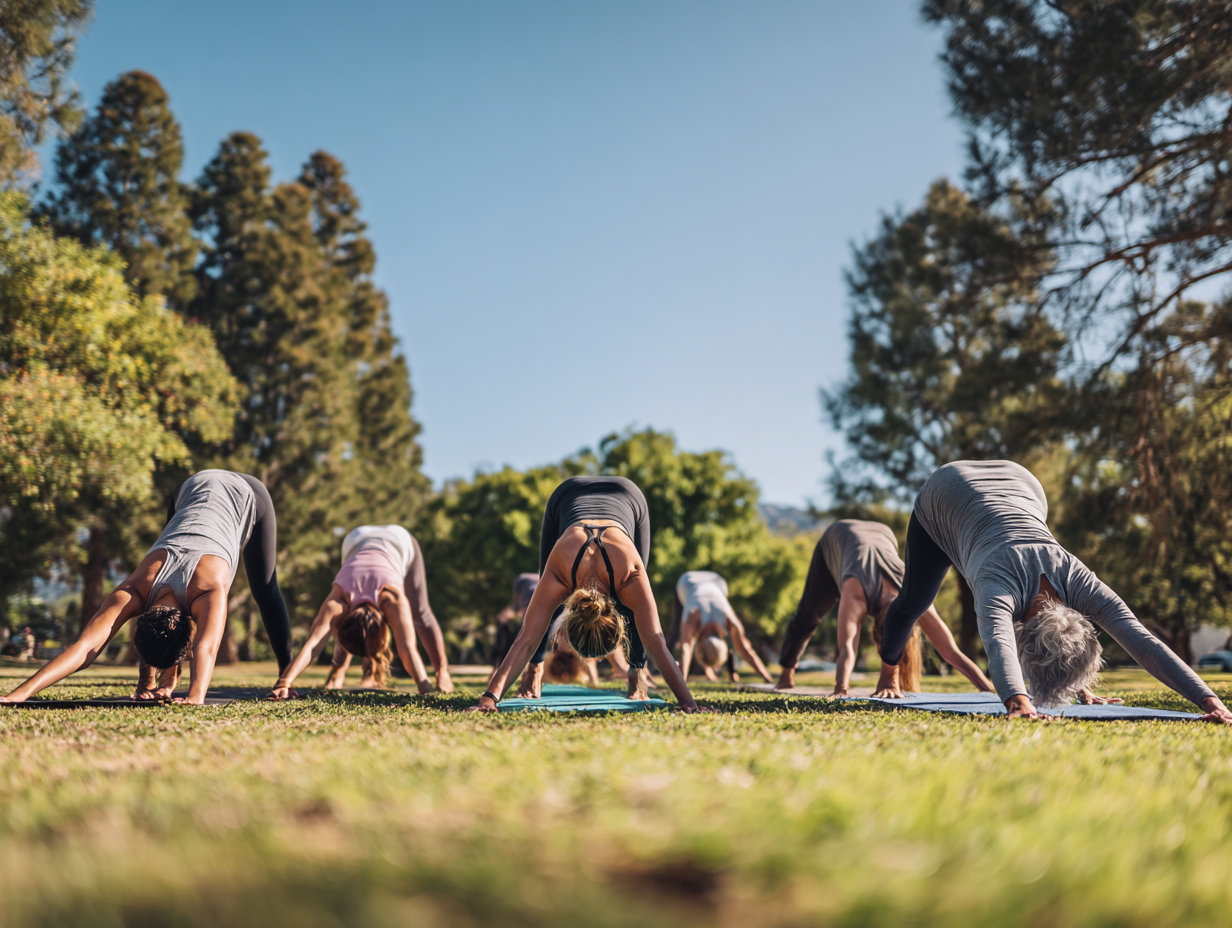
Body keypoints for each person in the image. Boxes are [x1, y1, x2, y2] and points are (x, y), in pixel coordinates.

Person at [876, 460, 1232, 723]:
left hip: (1024, 485)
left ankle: (1080, 685)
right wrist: (1018, 702)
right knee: (914, 603)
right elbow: (999, 645)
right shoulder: (995, 586)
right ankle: (888, 672)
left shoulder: (1077, 578)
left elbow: (1140, 638)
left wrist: (1208, 699)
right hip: (945, 492)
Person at [0, 470, 293, 705]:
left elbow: (207, 646)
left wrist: (196, 696)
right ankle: (151, 681)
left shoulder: (207, 588)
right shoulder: (134, 589)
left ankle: (285, 676)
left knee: (265, 590)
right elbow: (86, 647)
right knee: (167, 639)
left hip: (248, 492)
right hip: (189, 489)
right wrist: (19, 694)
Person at [470, 475, 705, 711]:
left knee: (632, 606)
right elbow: (654, 640)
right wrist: (687, 702)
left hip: (605, 494)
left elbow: (526, 639)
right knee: (634, 605)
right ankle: (629, 673)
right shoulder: (620, 573)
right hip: (598, 494)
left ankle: (635, 673)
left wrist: (490, 698)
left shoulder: (563, 574)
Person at [777, 519, 994, 696]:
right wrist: (840, 689)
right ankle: (786, 674)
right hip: (835, 540)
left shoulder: (916, 595)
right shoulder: (855, 593)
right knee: (809, 614)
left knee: (809, 616)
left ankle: (786, 673)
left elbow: (950, 651)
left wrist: (989, 689)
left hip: (883, 534)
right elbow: (847, 649)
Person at [269, 525, 441, 699]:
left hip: (391, 540)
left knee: (421, 614)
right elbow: (407, 648)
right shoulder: (386, 599)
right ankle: (338, 672)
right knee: (416, 618)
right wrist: (284, 682)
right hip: (361, 539)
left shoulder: (380, 598)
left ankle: (443, 673)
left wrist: (425, 688)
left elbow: (314, 642)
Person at [320, 525, 453, 693]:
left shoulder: (391, 598)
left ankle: (442, 673)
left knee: (351, 610)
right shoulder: (392, 598)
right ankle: (342, 673)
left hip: (367, 538)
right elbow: (407, 646)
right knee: (421, 615)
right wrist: (424, 687)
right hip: (387, 537)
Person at [673, 570, 773, 684]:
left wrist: (766, 677)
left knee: (688, 637)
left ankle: (712, 671)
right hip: (687, 583)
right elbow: (686, 648)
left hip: (717, 581)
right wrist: (682, 682)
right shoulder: (694, 615)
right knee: (677, 633)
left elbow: (745, 649)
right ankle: (709, 672)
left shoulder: (729, 619)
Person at [492, 572, 539, 668]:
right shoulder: (545, 576)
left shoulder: (521, 580)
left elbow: (516, 606)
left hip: (531, 610)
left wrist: (503, 618)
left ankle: (500, 667)